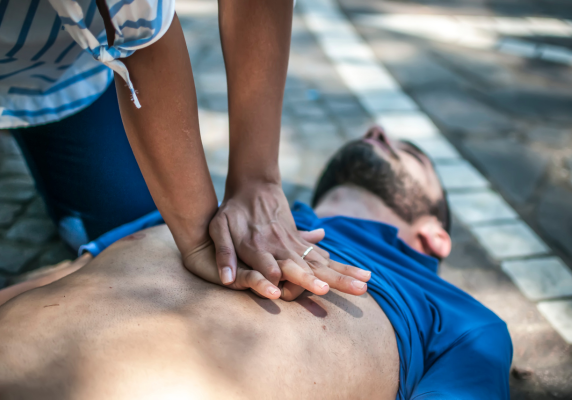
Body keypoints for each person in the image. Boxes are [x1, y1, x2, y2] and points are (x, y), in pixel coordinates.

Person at [0, 127, 513, 399]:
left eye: (406, 151)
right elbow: (60, 276)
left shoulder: (467, 320)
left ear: (435, 237)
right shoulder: (200, 204)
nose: (377, 128)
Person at [0, 0, 356, 298]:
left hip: (63, 66)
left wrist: (256, 180)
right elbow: (140, 31)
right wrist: (197, 240)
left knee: (127, 220)